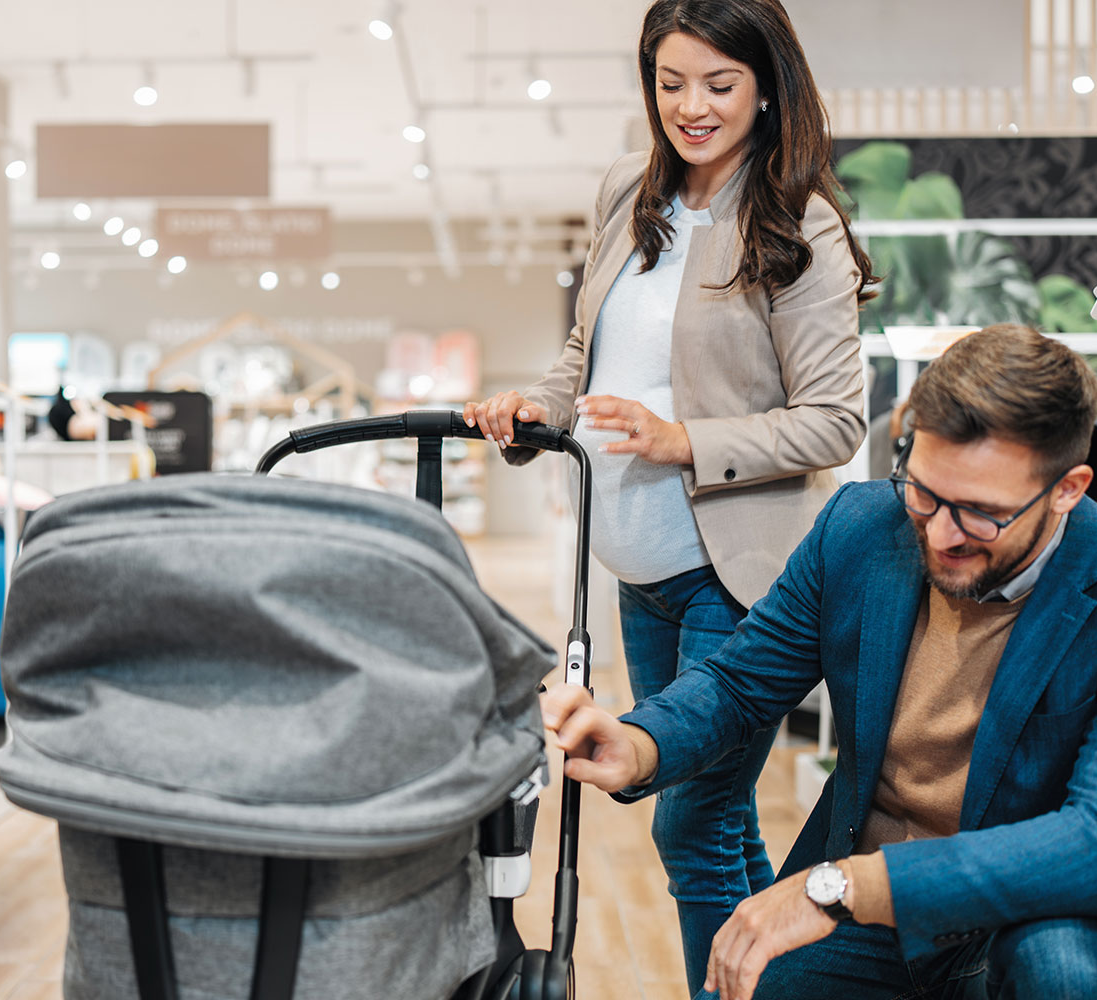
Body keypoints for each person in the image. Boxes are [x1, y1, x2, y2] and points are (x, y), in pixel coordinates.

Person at [541, 325, 1097, 1000]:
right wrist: (638, 742)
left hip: (1026, 919)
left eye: (979, 513)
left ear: (1067, 489)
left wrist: (848, 888)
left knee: (1063, 966)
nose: (938, 532)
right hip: (875, 925)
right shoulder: (861, 528)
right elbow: (741, 680)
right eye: (924, 492)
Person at [463, 2, 872, 990]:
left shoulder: (796, 222)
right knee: (715, 821)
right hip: (637, 572)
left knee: (688, 813)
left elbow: (832, 419)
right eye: (670, 82)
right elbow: (585, 354)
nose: (691, 107)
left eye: (718, 85)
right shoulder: (627, 194)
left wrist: (684, 439)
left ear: (767, 86)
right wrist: (533, 409)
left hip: (732, 581)